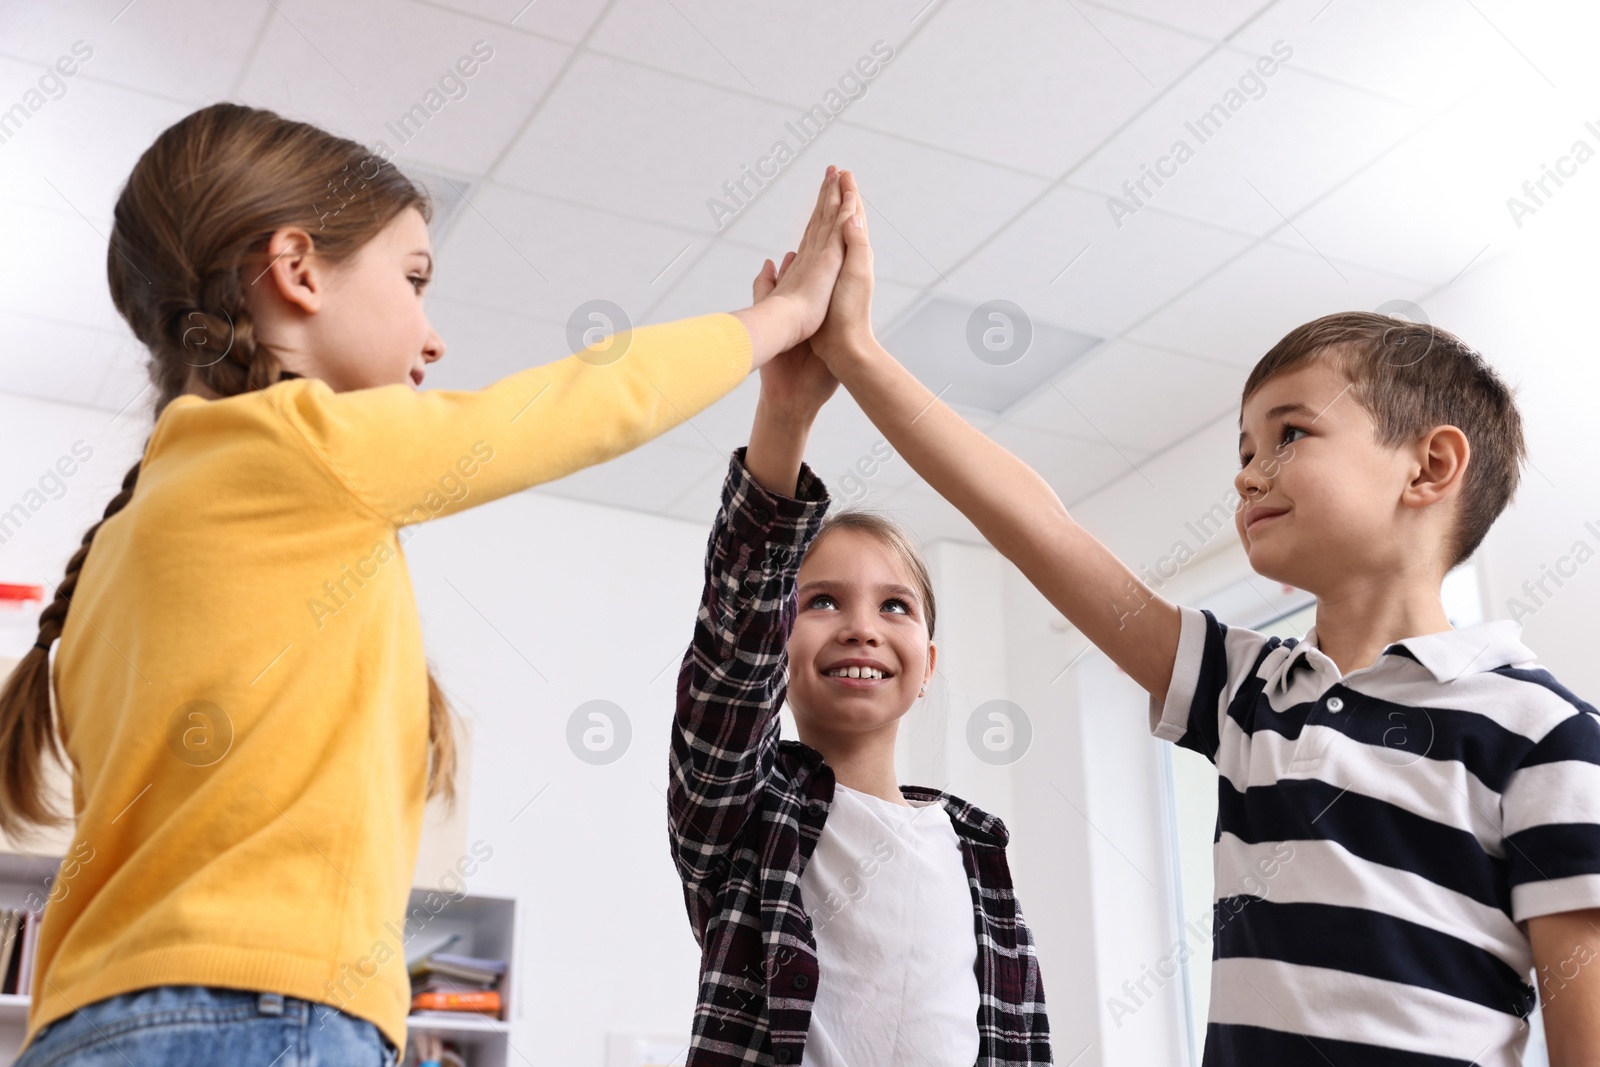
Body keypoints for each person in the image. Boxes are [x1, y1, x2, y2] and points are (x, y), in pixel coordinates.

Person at [0, 102, 853, 1067]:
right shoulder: (297, 447)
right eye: (413, 280)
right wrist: (780, 318)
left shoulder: (131, 532)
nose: (434, 336)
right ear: (297, 270)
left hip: (86, 1020)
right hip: (254, 1011)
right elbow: (579, 402)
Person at [805, 169, 1600, 1065]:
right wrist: (858, 355)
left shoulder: (1545, 734)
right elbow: (1041, 530)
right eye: (1244, 449)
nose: (1248, 473)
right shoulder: (1250, 693)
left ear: (1429, 467)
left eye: (1290, 434)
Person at [667, 249, 1052, 1065]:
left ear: (928, 662)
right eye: (822, 600)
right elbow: (729, 663)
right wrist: (785, 411)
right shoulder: (747, 818)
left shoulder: (974, 847)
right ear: (781, 634)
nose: (861, 627)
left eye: (895, 606)